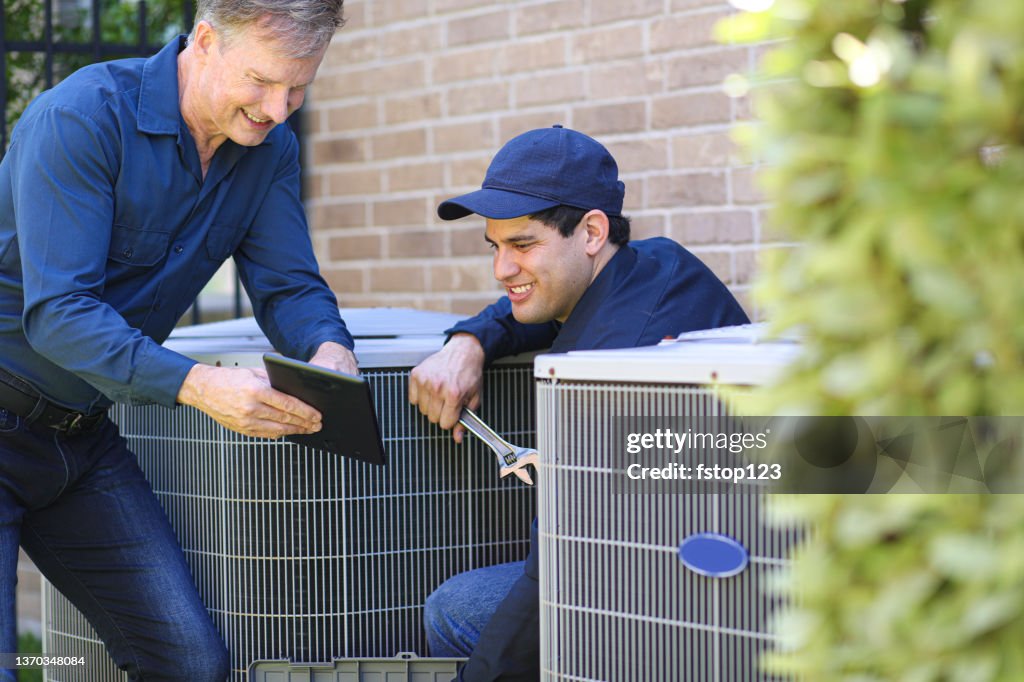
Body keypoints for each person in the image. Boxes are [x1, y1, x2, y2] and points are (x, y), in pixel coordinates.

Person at [0, 1, 354, 679]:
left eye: (299, 88)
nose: (279, 109)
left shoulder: (269, 148)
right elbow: (61, 314)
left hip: (80, 437)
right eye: (262, 81)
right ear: (205, 39)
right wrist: (200, 385)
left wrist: (328, 351)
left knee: (190, 663)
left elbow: (289, 287)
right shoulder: (83, 118)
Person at [408, 125, 750, 680]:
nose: (501, 269)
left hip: (702, 595)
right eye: (496, 246)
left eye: (522, 245)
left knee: (456, 610)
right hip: (656, 549)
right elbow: (524, 311)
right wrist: (470, 341)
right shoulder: (651, 267)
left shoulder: (612, 368)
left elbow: (562, 562)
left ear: (591, 231)